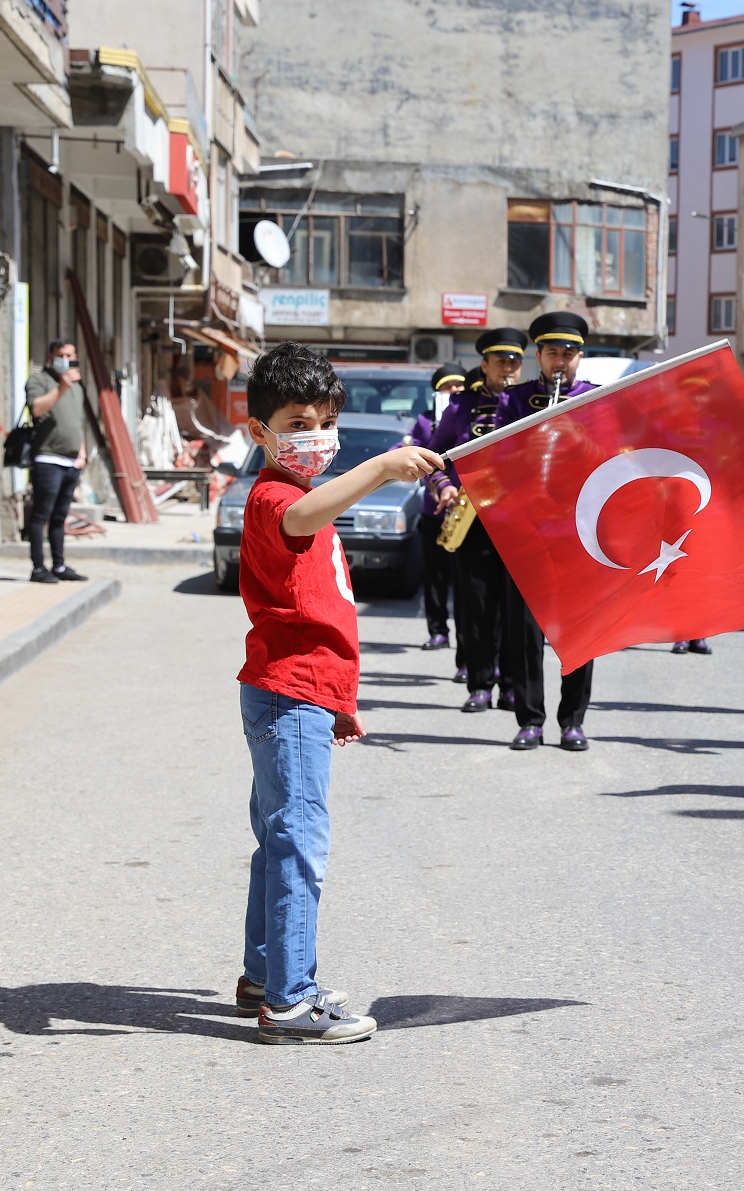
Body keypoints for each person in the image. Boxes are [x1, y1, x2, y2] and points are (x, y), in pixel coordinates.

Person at [233, 341, 442, 1044]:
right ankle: (291, 1000)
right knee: (298, 844)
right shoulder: (275, 498)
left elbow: (320, 608)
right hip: (287, 696)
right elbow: (300, 520)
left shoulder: (302, 498)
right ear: (257, 429)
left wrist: (337, 701)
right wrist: (383, 467)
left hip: (300, 695)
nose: (314, 436)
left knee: (278, 840)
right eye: (296, 422)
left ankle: (265, 975)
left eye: (324, 421)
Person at [494, 311, 598, 752]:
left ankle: (572, 720)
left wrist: (577, 437)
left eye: (570, 353)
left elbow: (614, 457)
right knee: (525, 633)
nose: (562, 360)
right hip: (529, 531)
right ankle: (530, 720)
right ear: (538, 355)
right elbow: (494, 461)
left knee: (580, 630)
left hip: (580, 531)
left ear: (580, 356)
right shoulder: (514, 400)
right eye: (553, 352)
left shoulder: (597, 398)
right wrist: (526, 448)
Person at [431, 333, 523, 713]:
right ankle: (481, 684)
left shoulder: (529, 402)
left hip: (519, 521)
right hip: (472, 520)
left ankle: (514, 685)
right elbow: (435, 455)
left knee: (515, 611)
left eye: (514, 362)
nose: (507, 369)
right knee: (477, 606)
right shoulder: (461, 407)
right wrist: (444, 487)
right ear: (484, 365)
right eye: (500, 361)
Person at [22, 340, 91, 584]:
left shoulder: (77, 386)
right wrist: (61, 387)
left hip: (71, 462)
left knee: (60, 517)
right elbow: (37, 409)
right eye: (61, 355)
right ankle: (38, 567)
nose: (66, 359)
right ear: (51, 355)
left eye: (70, 354)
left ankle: (59, 566)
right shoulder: (40, 381)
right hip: (47, 458)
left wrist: (81, 452)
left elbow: (77, 422)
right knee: (41, 515)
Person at [409, 366, 466, 661]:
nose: (455, 390)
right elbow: (410, 450)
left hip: (467, 509)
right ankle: (438, 630)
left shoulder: (471, 416)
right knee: (436, 575)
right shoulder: (425, 422)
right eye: (449, 386)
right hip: (435, 509)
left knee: (466, 580)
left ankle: (467, 642)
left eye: (460, 385)